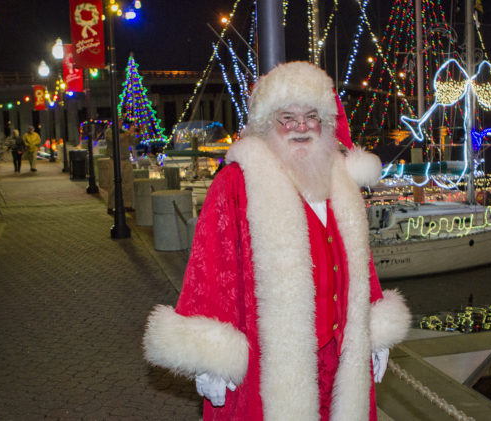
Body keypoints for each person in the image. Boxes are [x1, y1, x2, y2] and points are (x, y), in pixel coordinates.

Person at [143, 62, 411, 421]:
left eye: (311, 116)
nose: (301, 127)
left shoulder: (341, 183)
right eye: (288, 117)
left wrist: (372, 332)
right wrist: (210, 357)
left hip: (339, 361)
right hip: (267, 363)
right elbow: (211, 267)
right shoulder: (238, 184)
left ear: (325, 122)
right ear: (269, 123)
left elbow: (358, 264)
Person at [105, 121, 136, 213]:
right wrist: (128, 133)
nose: (120, 123)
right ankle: (111, 206)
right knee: (113, 184)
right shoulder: (109, 131)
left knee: (128, 183)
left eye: (120, 121)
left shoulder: (125, 132)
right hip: (114, 160)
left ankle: (128, 204)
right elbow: (114, 140)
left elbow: (134, 142)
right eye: (118, 121)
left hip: (126, 160)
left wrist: (138, 134)